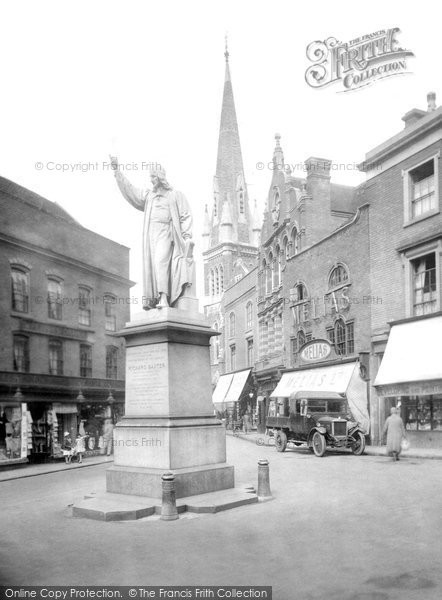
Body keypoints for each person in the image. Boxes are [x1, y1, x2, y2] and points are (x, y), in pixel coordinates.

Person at [110, 157, 194, 310]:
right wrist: (117, 171)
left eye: (154, 177)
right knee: (152, 267)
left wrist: (187, 236)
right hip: (151, 236)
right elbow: (131, 191)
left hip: (167, 233)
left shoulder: (175, 195)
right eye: (150, 177)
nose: (151, 180)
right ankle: (153, 300)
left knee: (160, 263)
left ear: (161, 177)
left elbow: (185, 215)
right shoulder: (149, 196)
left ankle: (163, 298)